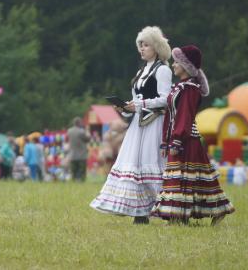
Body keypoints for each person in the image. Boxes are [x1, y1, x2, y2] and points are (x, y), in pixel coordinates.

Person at [90, 26, 172, 224]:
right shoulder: (141, 71)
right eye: (140, 45)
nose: (142, 49)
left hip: (154, 123)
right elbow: (136, 100)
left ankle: (167, 210)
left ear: (156, 47)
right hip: (138, 124)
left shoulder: (163, 70)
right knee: (135, 165)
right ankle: (140, 213)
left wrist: (140, 104)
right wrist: (125, 108)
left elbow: (165, 99)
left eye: (146, 45)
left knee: (150, 163)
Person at [151, 45, 235, 225]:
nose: (173, 65)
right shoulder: (179, 87)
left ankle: (182, 215)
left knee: (187, 178)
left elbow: (185, 116)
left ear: (185, 66)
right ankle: (179, 215)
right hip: (178, 138)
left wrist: (176, 140)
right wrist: (166, 141)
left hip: (187, 140)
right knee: (191, 178)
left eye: (176, 62)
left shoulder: (190, 89)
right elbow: (170, 115)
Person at [67, 117, 91, 182]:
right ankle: (81, 182)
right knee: (82, 172)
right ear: (79, 123)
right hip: (81, 155)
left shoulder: (69, 131)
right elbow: (88, 139)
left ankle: (73, 182)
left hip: (72, 155)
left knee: (73, 172)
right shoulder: (81, 131)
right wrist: (87, 130)